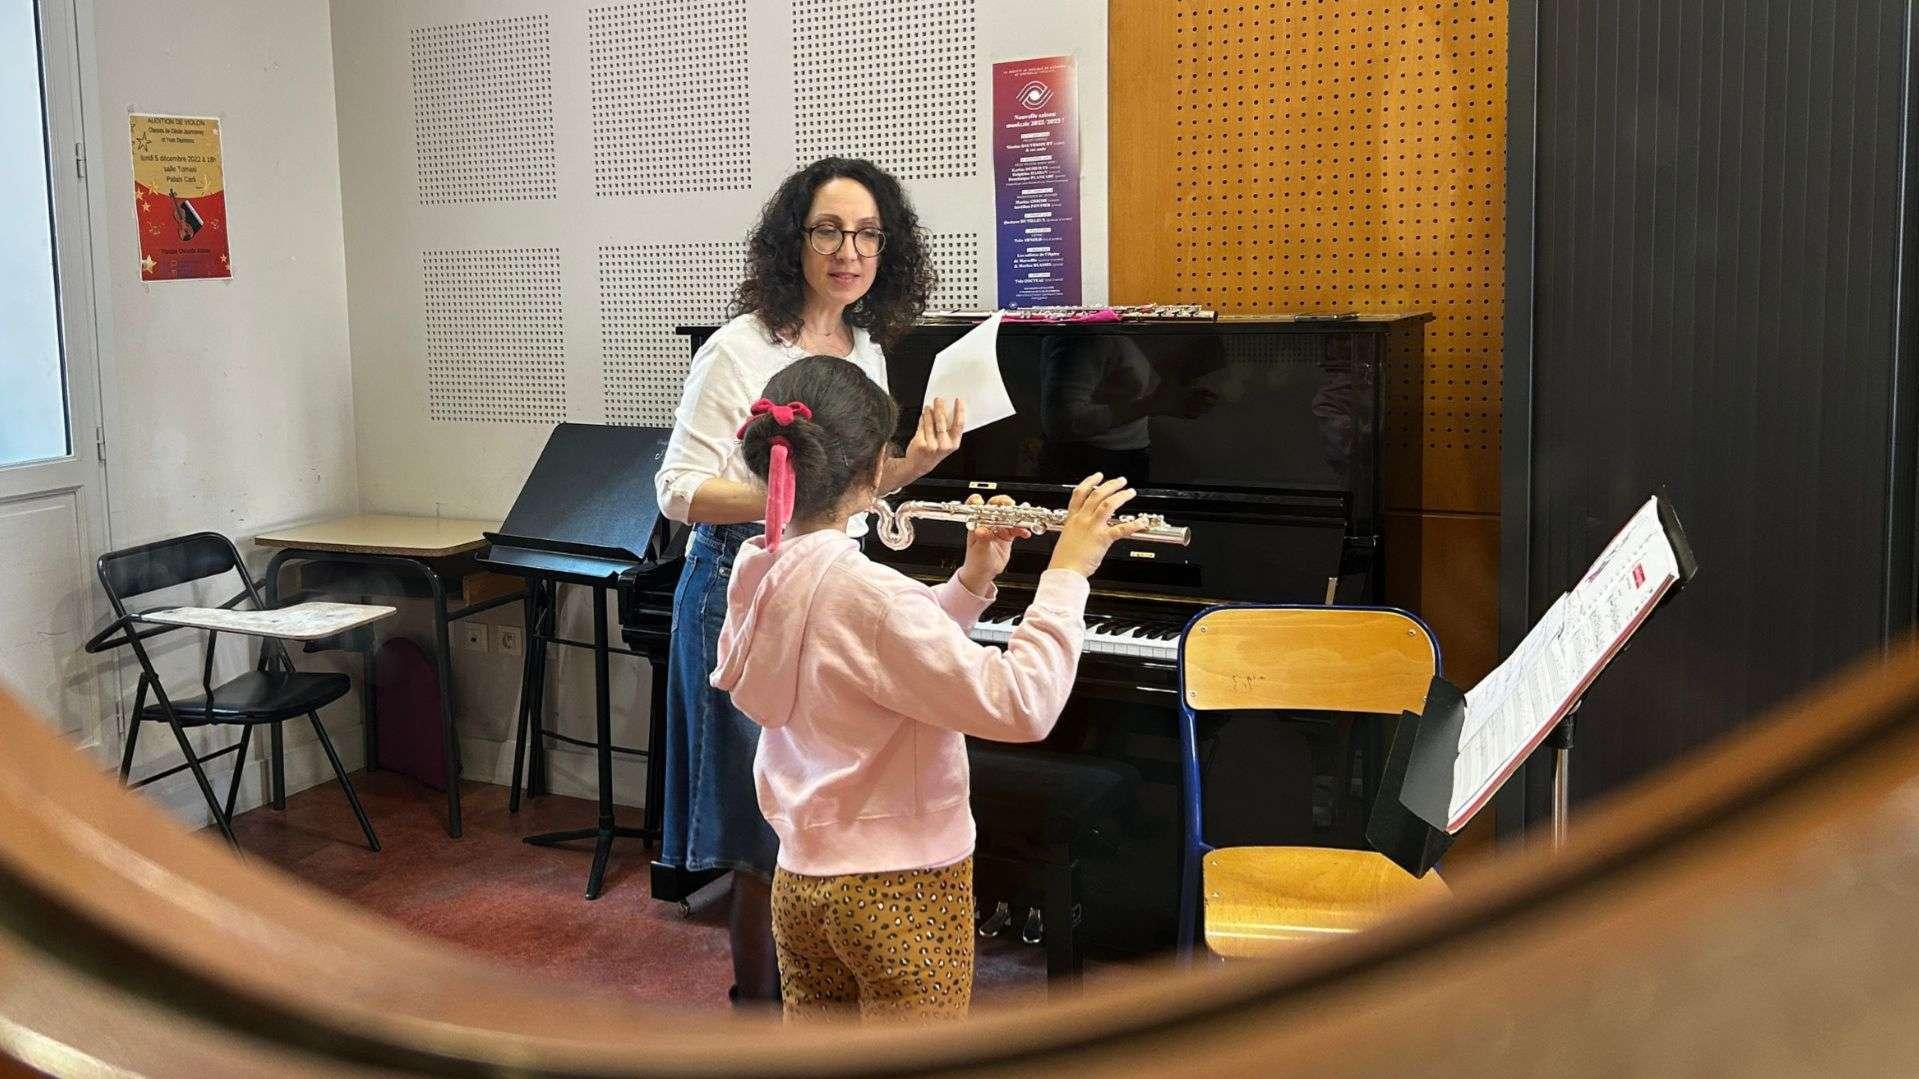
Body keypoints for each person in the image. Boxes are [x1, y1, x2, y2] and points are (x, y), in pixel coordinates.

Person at [714, 355, 1147, 1022]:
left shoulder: (757, 569)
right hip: (901, 889)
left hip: (801, 883)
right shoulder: (872, 595)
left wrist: (972, 581)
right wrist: (1067, 573)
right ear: (871, 474)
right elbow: (1021, 704)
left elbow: (875, 660)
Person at [653, 158, 964, 1007]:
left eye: (866, 233)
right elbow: (677, 492)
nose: (847, 250)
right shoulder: (738, 349)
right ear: (794, 238)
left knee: (819, 812)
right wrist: (792, 491)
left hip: (831, 579)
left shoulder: (864, 345)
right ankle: (760, 1011)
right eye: (828, 230)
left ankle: (821, 1003)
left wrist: (914, 464)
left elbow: (855, 485)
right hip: (741, 581)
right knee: (767, 829)